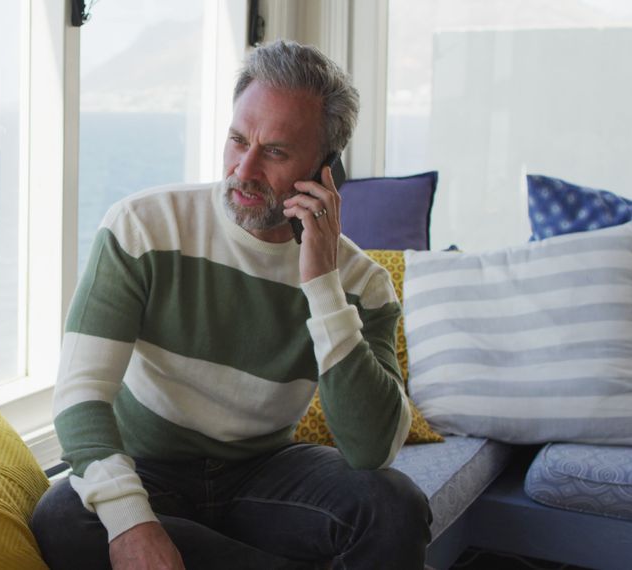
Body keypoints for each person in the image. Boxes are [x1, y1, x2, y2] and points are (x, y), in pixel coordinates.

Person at [30, 40, 432, 569]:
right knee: (62, 519)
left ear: (324, 168)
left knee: (394, 507)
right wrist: (132, 524)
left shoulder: (362, 284)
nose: (243, 170)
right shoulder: (144, 227)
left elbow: (371, 449)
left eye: (275, 151)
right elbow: (80, 395)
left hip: (263, 473)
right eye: (238, 140)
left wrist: (321, 283)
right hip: (147, 467)